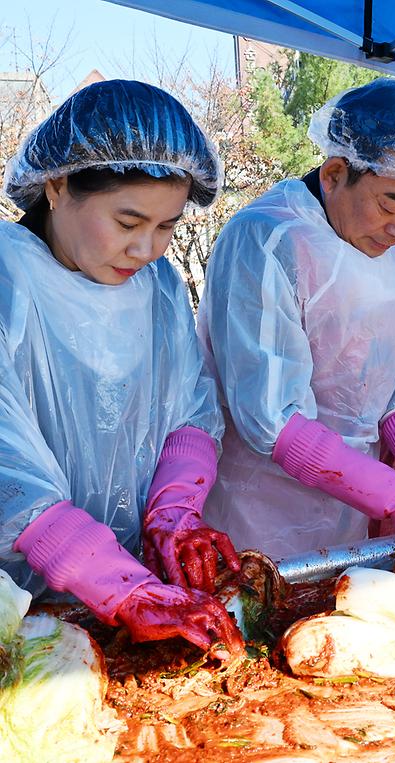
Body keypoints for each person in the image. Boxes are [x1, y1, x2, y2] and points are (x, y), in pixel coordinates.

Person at [0, 79, 242, 656]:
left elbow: (189, 409)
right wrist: (111, 579)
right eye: (129, 223)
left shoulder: (157, 286)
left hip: (121, 591)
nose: (147, 250)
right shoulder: (8, 283)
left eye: (167, 227)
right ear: (57, 186)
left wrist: (175, 509)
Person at [199, 80, 395, 560]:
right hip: (257, 514)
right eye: (390, 204)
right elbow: (274, 421)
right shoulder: (268, 238)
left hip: (349, 510)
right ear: (333, 174)